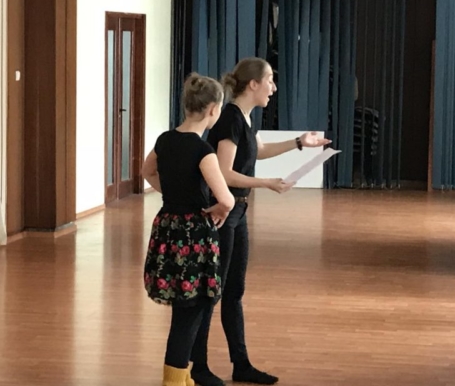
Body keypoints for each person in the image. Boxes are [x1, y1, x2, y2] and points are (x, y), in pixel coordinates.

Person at [190, 57, 331, 386]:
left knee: (234, 292)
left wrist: (300, 143)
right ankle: (198, 367)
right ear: (253, 84)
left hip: (238, 213)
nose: (273, 87)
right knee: (213, 292)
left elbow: (258, 150)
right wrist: (266, 183)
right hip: (223, 213)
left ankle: (241, 364)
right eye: (269, 80)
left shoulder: (244, 118)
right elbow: (224, 173)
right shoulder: (230, 118)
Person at [142, 73, 235, 386]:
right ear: (213, 110)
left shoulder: (165, 140)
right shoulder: (203, 150)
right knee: (191, 311)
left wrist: (172, 193)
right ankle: (174, 379)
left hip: (167, 227)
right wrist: (219, 209)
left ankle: (181, 376)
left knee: (183, 308)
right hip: (193, 234)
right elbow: (226, 199)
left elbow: (147, 171)